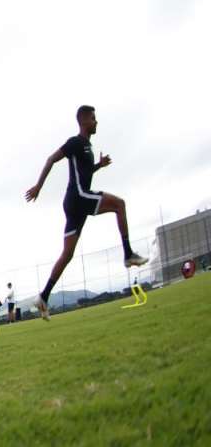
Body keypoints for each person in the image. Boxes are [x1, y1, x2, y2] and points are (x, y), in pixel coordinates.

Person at [25, 105, 148, 321]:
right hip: (78, 196)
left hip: (74, 203)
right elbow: (51, 159)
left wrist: (99, 165)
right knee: (119, 204)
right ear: (83, 121)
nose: (96, 122)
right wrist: (38, 186)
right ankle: (128, 254)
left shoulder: (88, 147)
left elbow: (85, 171)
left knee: (67, 254)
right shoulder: (75, 142)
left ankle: (43, 297)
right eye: (93, 118)